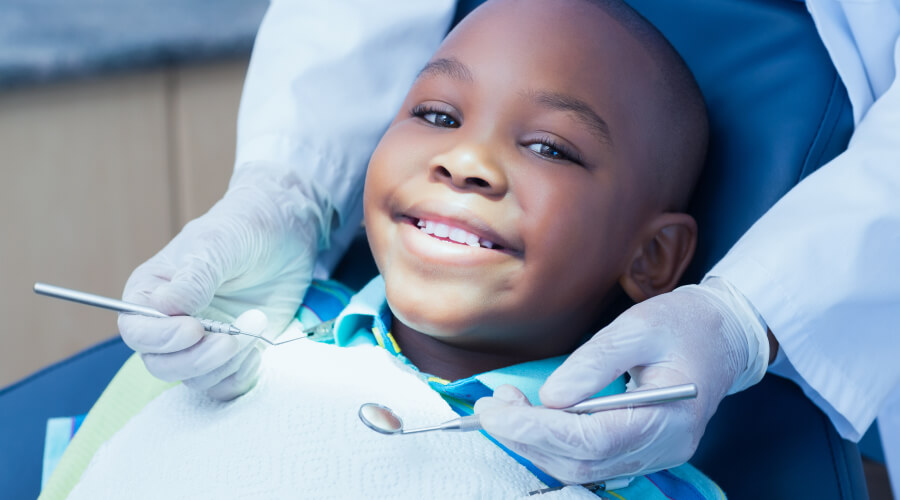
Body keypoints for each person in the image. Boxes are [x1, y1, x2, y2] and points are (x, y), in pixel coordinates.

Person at [117, 0, 900, 494]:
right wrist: (284, 189)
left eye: (552, 149)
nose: (466, 161)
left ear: (654, 257)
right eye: (435, 115)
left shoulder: (625, 476)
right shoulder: (226, 348)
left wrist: (747, 315)